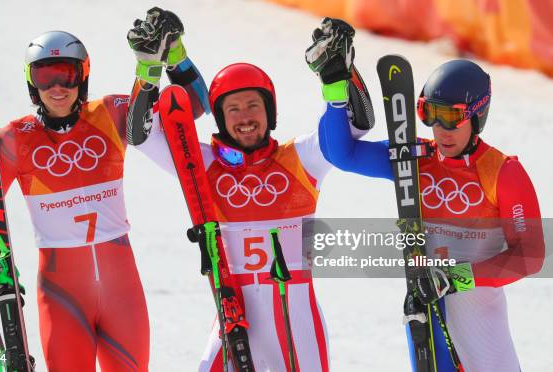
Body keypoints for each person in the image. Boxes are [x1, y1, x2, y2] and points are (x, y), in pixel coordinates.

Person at [126, 9, 374, 371]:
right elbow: (142, 135)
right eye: (234, 109)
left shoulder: (299, 160)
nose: (245, 117)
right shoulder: (203, 164)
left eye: (254, 106)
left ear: (269, 112)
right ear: (222, 120)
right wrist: (150, 66)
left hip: (297, 331)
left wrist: (339, 73)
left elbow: (356, 124)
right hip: (231, 322)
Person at [321, 59, 545, 371]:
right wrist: (333, 90)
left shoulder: (503, 173)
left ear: (478, 114)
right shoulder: (415, 158)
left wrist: (455, 278)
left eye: (451, 116)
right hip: (427, 316)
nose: (441, 129)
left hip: (481, 328)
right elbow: (341, 154)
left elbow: (530, 256)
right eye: (430, 114)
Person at [0, 30, 149, 371]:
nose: (57, 88)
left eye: (67, 75)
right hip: (63, 298)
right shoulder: (15, 138)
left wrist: (153, 66)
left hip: (123, 296)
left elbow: (179, 115)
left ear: (83, 77)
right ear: (32, 84)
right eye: (44, 77)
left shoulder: (111, 113)